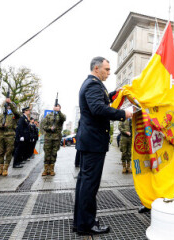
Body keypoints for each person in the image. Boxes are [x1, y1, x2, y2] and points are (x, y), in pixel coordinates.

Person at [73, 56, 132, 235]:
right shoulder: (93, 84)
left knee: (85, 183)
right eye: (106, 69)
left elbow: (102, 100)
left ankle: (81, 222)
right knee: (89, 184)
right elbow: (98, 109)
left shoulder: (93, 84)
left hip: (90, 141)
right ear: (96, 68)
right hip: (93, 142)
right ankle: (87, 225)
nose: (109, 72)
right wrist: (124, 113)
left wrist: (115, 93)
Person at [0, 98, 21, 176]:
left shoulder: (15, 116)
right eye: (7, 107)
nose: (8, 108)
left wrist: (10, 103)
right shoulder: (2, 115)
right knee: (0, 152)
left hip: (10, 135)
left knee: (9, 152)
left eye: (10, 107)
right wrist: (2, 125)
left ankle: (5, 169)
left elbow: (17, 113)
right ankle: (0, 169)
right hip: (1, 135)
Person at [42, 104, 66, 176]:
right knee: (47, 153)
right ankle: (46, 169)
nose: (56, 108)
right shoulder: (48, 116)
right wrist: (50, 128)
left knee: (54, 153)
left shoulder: (61, 116)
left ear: (60, 108)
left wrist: (59, 111)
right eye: (55, 106)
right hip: (48, 137)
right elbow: (44, 126)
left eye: (58, 107)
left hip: (56, 138)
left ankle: (52, 169)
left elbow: (63, 119)